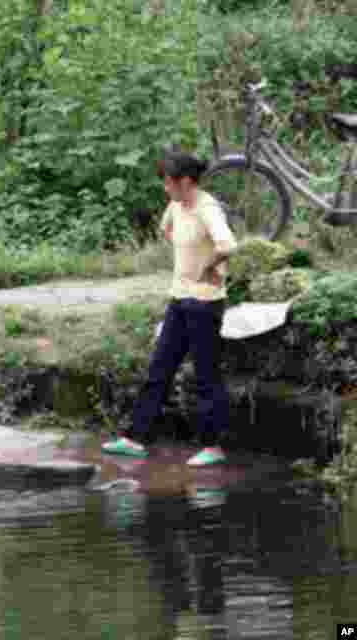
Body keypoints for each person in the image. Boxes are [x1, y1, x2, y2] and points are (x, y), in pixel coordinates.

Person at [103, 151, 238, 466]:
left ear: (186, 181)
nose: (165, 188)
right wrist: (187, 260)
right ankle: (135, 438)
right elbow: (167, 231)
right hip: (179, 298)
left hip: (205, 303)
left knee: (205, 375)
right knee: (159, 369)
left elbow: (228, 245)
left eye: (169, 182)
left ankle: (213, 446)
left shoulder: (208, 208)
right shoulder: (177, 205)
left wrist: (208, 268)